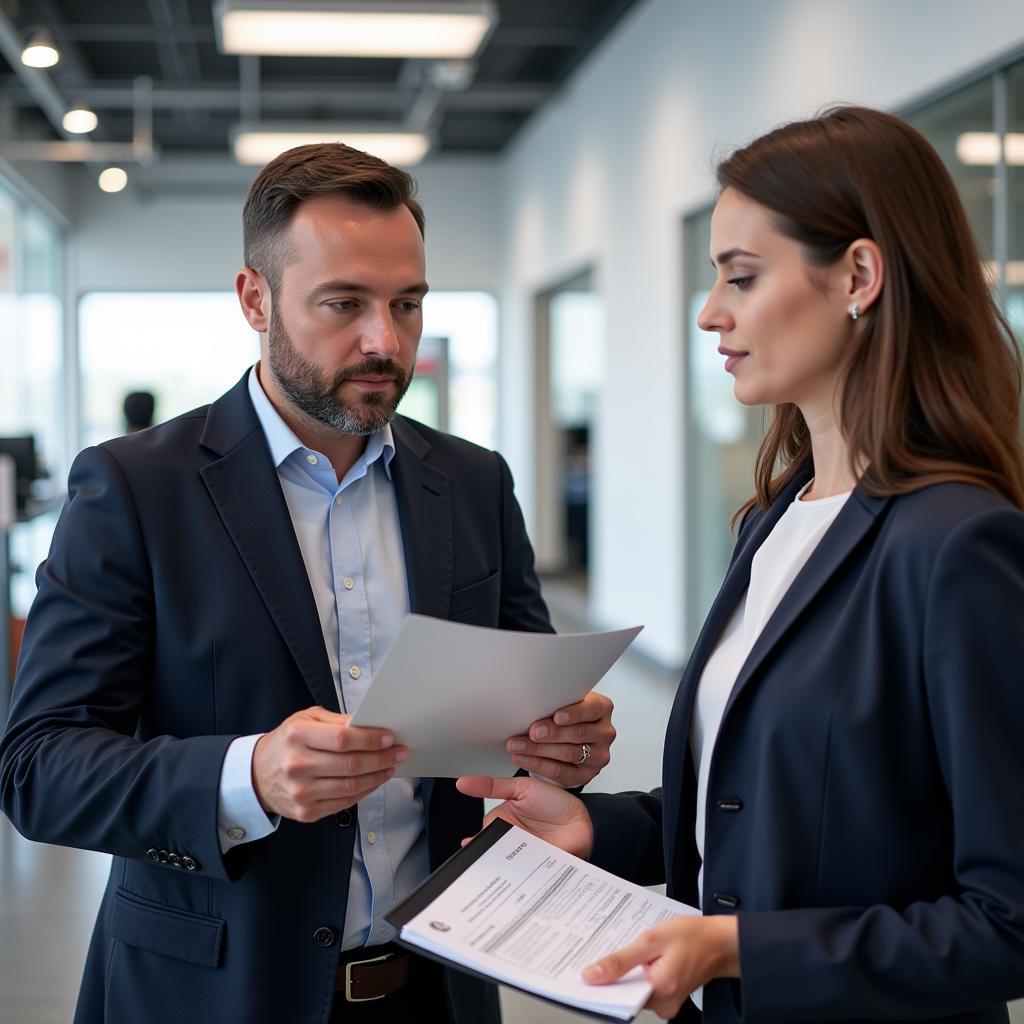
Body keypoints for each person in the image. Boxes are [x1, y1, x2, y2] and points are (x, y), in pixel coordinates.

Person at [0, 143, 616, 1024]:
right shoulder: (136, 488)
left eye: (407, 305)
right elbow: (37, 766)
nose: (386, 340)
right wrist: (244, 775)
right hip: (211, 992)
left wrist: (562, 744)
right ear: (255, 299)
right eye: (344, 304)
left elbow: (513, 722)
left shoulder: (474, 482)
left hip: (434, 990)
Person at [459, 106, 1024, 1023]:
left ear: (860, 275)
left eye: (741, 277)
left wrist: (737, 949)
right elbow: (753, 806)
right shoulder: (773, 523)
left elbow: (1008, 922)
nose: (709, 311)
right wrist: (600, 828)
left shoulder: (960, 545)